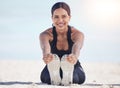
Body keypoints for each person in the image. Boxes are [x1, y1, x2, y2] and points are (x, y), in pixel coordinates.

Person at [39, 2, 85, 85]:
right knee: (44, 77)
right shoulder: (45, 35)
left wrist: (74, 56)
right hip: (52, 66)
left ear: (69, 17)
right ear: (52, 18)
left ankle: (67, 74)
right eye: (56, 17)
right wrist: (47, 56)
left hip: (73, 66)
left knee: (77, 77)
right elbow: (45, 47)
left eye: (64, 16)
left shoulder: (77, 34)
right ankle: (56, 75)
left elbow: (77, 46)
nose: (60, 20)